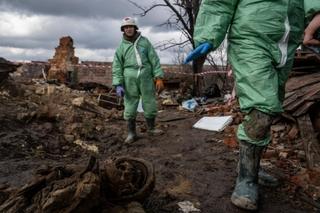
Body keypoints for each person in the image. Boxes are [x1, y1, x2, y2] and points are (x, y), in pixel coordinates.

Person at [184, 0, 320, 210]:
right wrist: (209, 35)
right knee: (262, 110)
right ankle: (246, 179)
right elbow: (219, 2)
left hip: (287, 46)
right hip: (251, 40)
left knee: (272, 108)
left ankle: (251, 167)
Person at [112, 17, 164, 144]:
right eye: (126, 27)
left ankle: (151, 128)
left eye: (131, 26)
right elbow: (117, 65)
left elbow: (154, 59)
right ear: (123, 30)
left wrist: (158, 77)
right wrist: (118, 83)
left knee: (149, 101)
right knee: (130, 103)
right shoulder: (121, 47)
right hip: (129, 76)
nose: (128, 29)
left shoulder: (145, 42)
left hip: (146, 75)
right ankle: (131, 133)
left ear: (135, 28)